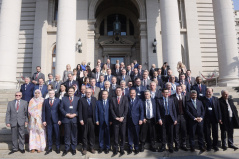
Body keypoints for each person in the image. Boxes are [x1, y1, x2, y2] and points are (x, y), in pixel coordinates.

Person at [60, 87, 79, 156]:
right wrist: (66, 114)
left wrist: (75, 114)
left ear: (74, 92)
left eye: (71, 91)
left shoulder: (77, 99)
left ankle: (73, 149)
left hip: (74, 119)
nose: (70, 92)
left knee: (74, 135)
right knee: (67, 135)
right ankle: (66, 148)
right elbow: (61, 108)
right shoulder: (64, 98)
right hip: (66, 119)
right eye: (69, 91)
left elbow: (79, 108)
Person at [157, 88, 177, 153]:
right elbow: (158, 111)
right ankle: (163, 146)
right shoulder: (159, 100)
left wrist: (175, 119)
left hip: (170, 118)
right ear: (162, 93)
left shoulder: (171, 99)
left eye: (167, 92)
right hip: (163, 118)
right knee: (163, 133)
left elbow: (174, 110)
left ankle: (170, 146)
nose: (166, 93)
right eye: (165, 92)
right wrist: (159, 119)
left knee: (171, 133)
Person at [110, 87, 129, 156]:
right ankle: (115, 149)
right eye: (117, 90)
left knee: (123, 135)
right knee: (115, 135)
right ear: (115, 92)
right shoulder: (113, 99)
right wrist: (115, 117)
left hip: (123, 120)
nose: (118, 91)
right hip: (115, 120)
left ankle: (122, 149)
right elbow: (111, 109)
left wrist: (123, 117)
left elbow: (126, 109)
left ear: (122, 91)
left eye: (119, 90)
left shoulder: (125, 98)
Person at [79, 88, 97, 155]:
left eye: (89, 92)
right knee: (84, 134)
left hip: (92, 119)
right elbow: (80, 110)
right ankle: (85, 148)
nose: (88, 93)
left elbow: (96, 110)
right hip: (84, 120)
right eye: (87, 92)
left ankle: (91, 147)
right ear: (85, 93)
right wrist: (81, 119)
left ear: (91, 93)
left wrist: (96, 119)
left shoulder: (94, 99)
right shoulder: (81, 100)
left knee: (92, 134)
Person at [170, 85, 188, 151]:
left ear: (181, 90)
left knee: (184, 131)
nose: (178, 90)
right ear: (175, 90)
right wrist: (174, 118)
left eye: (179, 89)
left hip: (183, 116)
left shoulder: (184, 97)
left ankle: (184, 145)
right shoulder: (172, 97)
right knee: (176, 132)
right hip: (176, 116)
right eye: (177, 89)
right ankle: (177, 145)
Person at [127, 89, 144, 155]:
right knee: (129, 135)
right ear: (129, 94)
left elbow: (142, 111)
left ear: (135, 94)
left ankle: (136, 147)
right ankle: (130, 147)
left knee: (136, 135)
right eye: (131, 93)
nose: (132, 94)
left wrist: (141, 119)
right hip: (129, 120)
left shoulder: (139, 101)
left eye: (133, 93)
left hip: (137, 120)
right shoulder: (127, 100)